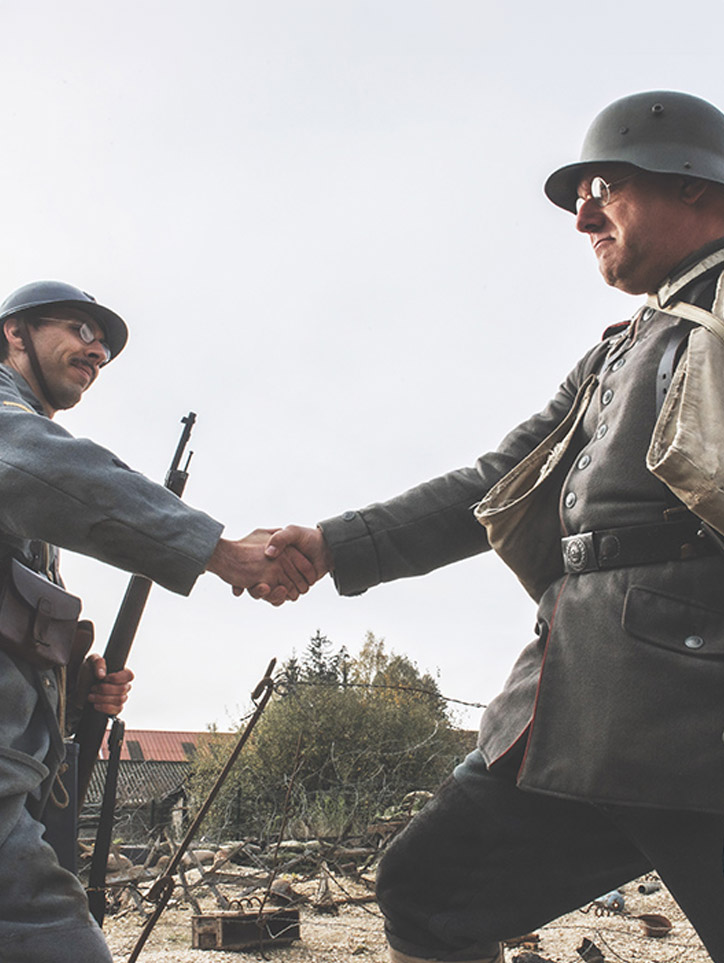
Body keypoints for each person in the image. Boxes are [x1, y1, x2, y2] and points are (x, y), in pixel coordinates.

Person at [264, 91, 724, 962]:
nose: (582, 212)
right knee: (430, 891)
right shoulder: (618, 349)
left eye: (604, 185)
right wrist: (330, 545)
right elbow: (496, 483)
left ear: (696, 185)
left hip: (704, 721)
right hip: (582, 706)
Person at [0, 280, 315, 962]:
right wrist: (220, 551)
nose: (98, 349)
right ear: (14, 333)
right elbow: (36, 463)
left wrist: (73, 689)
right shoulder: (10, 427)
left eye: (105, 342)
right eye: (80, 329)